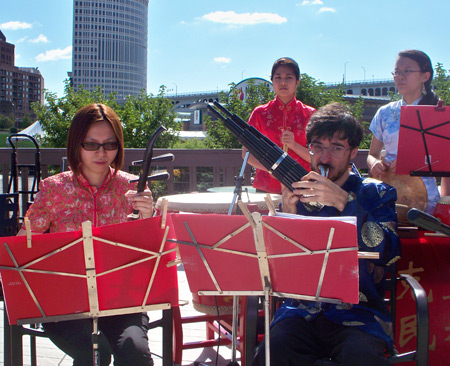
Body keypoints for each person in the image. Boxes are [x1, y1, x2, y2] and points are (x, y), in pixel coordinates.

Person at [252, 103, 401, 366]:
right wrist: (288, 214)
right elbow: (274, 267)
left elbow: (388, 255)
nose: (324, 157)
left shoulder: (376, 193)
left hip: (359, 313)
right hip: (300, 311)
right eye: (317, 147)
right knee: (272, 353)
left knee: (362, 357)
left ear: (353, 152)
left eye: (336, 148)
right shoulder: (298, 192)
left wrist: (346, 202)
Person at [18, 104, 155, 366]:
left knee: (134, 350)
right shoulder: (53, 189)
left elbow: (152, 252)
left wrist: (149, 218)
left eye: (110, 144)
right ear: (76, 145)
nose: (102, 153)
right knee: (95, 353)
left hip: (120, 299)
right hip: (64, 302)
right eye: (91, 144)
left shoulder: (133, 188)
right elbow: (25, 246)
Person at [367, 49, 444, 214]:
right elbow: (372, 154)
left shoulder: (437, 113)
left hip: (424, 197)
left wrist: (411, 163)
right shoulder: (384, 112)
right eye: (397, 72)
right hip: (388, 191)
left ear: (425, 76)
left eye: (407, 71)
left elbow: (444, 162)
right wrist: (374, 164)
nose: (400, 76)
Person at [244, 57, 315, 194]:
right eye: (278, 77)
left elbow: (316, 157)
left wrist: (294, 145)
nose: (283, 82)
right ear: (272, 81)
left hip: (302, 185)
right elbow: (247, 154)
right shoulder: (260, 113)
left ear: (297, 82)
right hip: (267, 186)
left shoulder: (310, 114)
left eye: (288, 77)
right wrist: (272, 169)